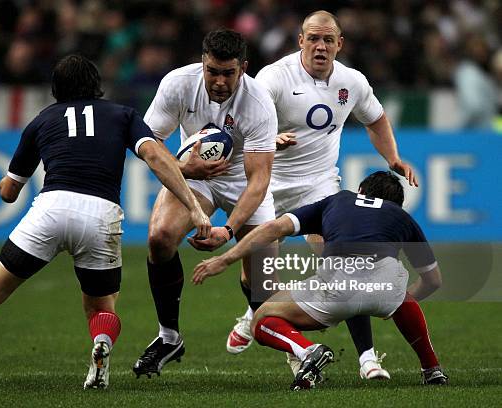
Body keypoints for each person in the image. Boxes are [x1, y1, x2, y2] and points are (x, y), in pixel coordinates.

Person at [0, 54, 211, 390]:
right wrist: (193, 206)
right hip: (101, 215)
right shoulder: (124, 115)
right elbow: (154, 156)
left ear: (55, 89)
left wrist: (6, 184)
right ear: (96, 85)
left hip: (50, 209)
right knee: (101, 308)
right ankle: (101, 343)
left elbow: (9, 191)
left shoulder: (42, 120)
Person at [226, 10, 441, 383]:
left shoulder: (352, 82)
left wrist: (392, 158)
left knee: (346, 265)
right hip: (269, 182)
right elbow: (241, 123)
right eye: (313, 38)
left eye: (327, 39)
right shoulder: (274, 77)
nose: (320, 46)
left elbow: (375, 119)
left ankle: (368, 359)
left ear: (339, 44)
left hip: (319, 183)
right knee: (261, 274)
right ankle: (257, 319)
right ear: (300, 41)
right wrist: (268, 139)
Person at [193, 171, 446, 390]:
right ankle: (432, 368)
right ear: (396, 204)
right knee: (399, 292)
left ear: (360, 190)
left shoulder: (339, 200)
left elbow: (272, 229)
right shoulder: (401, 217)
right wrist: (392, 306)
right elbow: (433, 280)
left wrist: (224, 259)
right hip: (385, 284)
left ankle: (306, 351)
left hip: (336, 288)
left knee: (262, 318)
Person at [132, 28, 278, 378]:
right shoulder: (178, 84)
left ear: (243, 67)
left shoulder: (258, 102)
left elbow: (259, 180)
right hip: (193, 174)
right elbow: (148, 144)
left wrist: (227, 231)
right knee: (160, 237)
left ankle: (274, 333)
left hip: (242, 179)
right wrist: (184, 167)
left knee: (263, 281)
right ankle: (168, 337)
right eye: (212, 71)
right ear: (202, 62)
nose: (219, 81)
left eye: (228, 73)